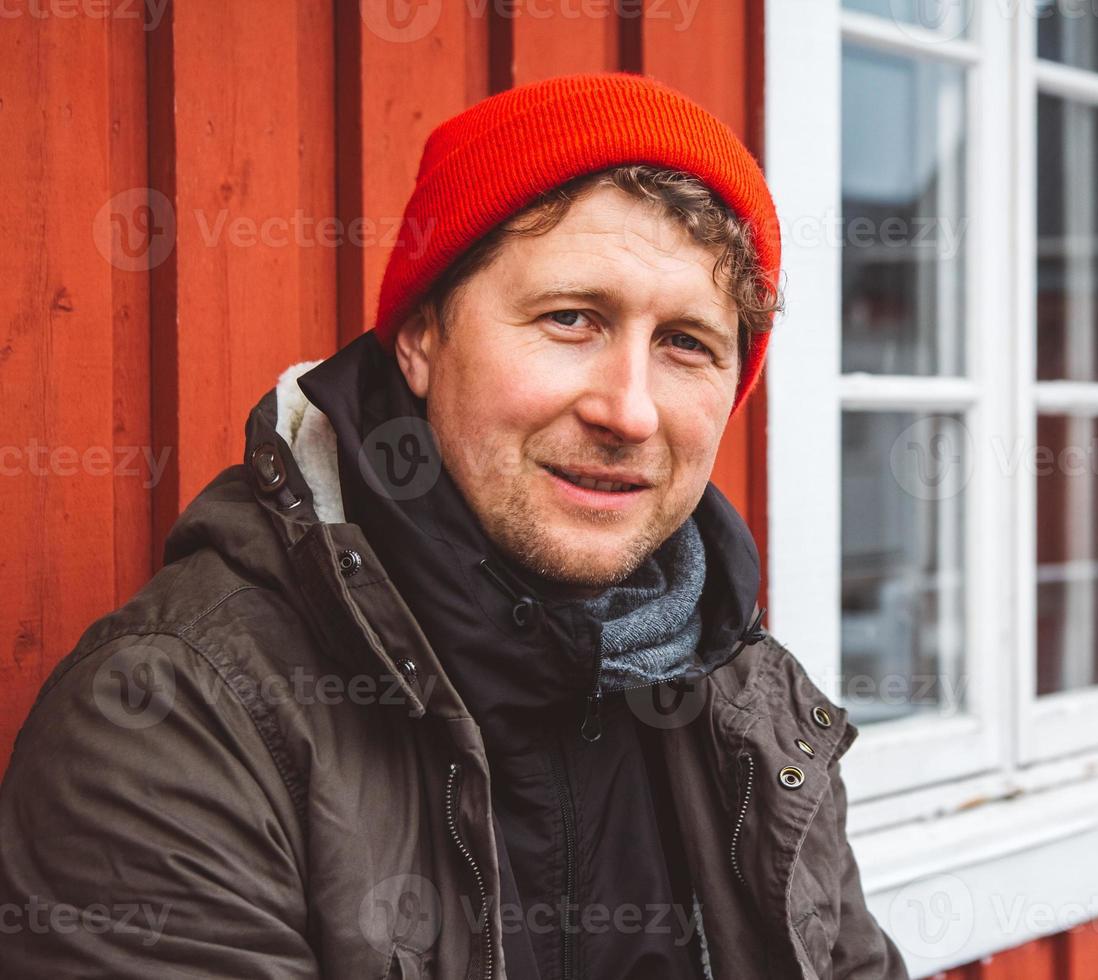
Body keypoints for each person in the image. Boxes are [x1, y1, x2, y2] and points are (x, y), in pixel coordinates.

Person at [0, 72, 908, 979]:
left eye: (686, 344)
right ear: (421, 339)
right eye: (570, 318)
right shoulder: (175, 722)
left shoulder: (746, 709)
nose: (629, 411)